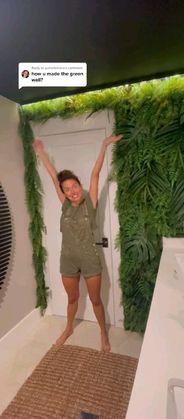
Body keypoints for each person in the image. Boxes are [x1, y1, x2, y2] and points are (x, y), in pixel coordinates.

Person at [32, 134, 122, 351]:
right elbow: (54, 178)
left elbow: (95, 173)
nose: (71, 191)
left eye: (74, 186)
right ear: (63, 193)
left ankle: (103, 333)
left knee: (96, 300)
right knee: (72, 299)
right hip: (68, 260)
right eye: (67, 189)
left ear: (80, 185)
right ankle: (69, 327)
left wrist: (103, 145)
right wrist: (41, 153)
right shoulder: (64, 205)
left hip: (90, 259)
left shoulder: (90, 202)